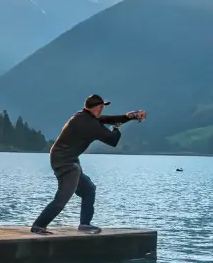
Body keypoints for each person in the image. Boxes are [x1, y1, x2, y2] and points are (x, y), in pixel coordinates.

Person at [32, 94, 146, 234]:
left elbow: (108, 119)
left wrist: (129, 117)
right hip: (66, 162)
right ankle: (38, 225)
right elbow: (112, 140)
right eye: (102, 107)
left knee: (88, 190)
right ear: (97, 108)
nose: (103, 109)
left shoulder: (83, 117)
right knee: (63, 197)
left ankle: (85, 224)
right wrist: (116, 128)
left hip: (66, 159)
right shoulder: (89, 124)